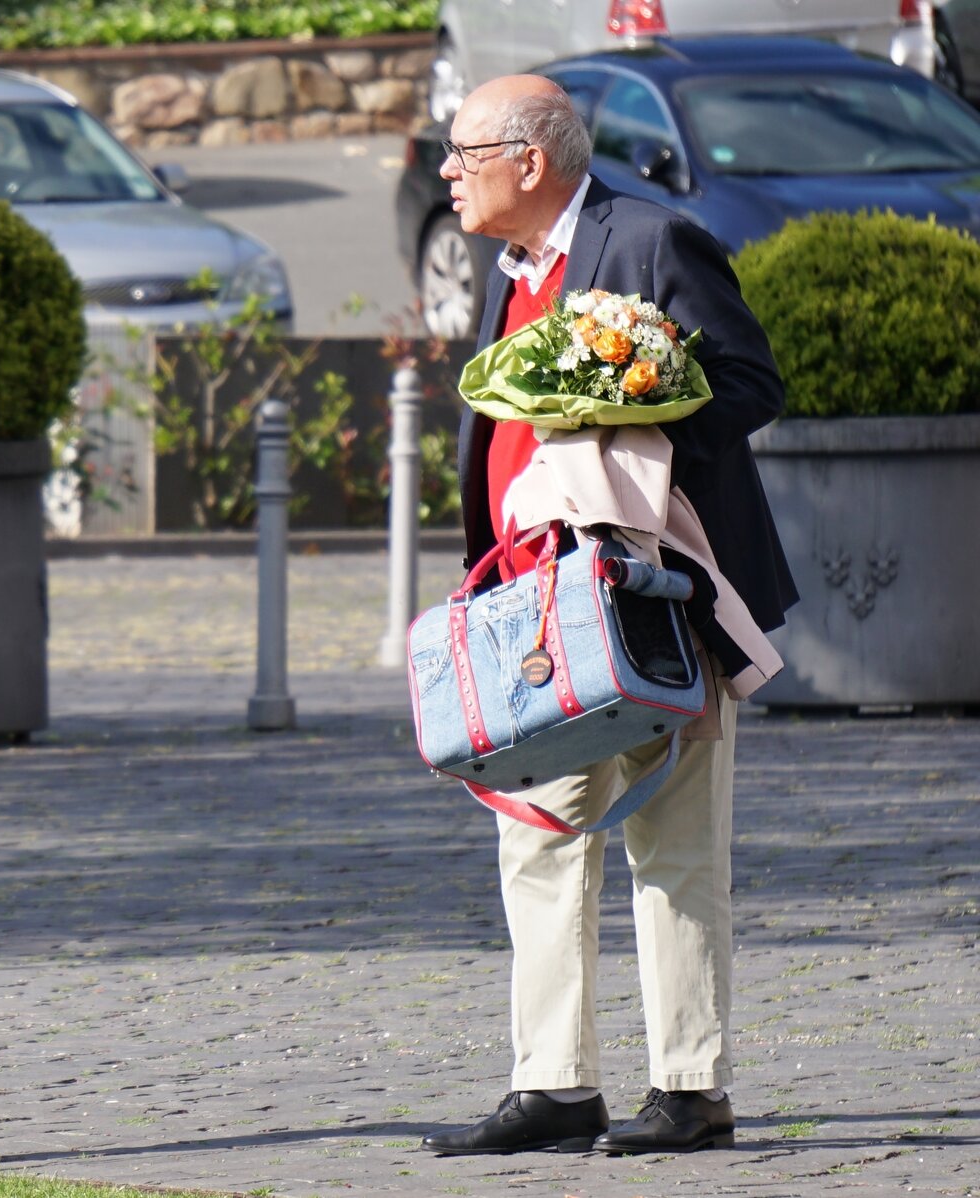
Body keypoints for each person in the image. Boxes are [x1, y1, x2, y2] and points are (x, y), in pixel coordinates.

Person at [420, 75, 798, 1157]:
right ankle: (554, 1084)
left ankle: (690, 1087)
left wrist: (629, 402)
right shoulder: (510, 271)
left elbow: (750, 384)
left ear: (528, 160)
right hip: (532, 608)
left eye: (461, 152)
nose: (446, 173)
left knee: (672, 840)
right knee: (535, 839)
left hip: (649, 595)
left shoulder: (653, 241)